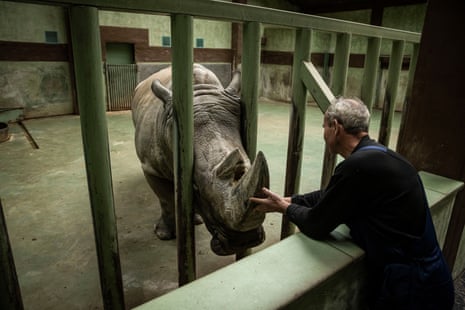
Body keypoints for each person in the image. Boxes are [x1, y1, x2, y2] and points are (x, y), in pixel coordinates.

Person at [249, 97, 454, 309]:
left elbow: (316, 224)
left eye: (324, 127)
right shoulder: (380, 156)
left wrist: (285, 208)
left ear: (336, 127)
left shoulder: (357, 166)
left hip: (412, 289)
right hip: (428, 278)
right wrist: (289, 200)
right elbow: (333, 195)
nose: (323, 133)